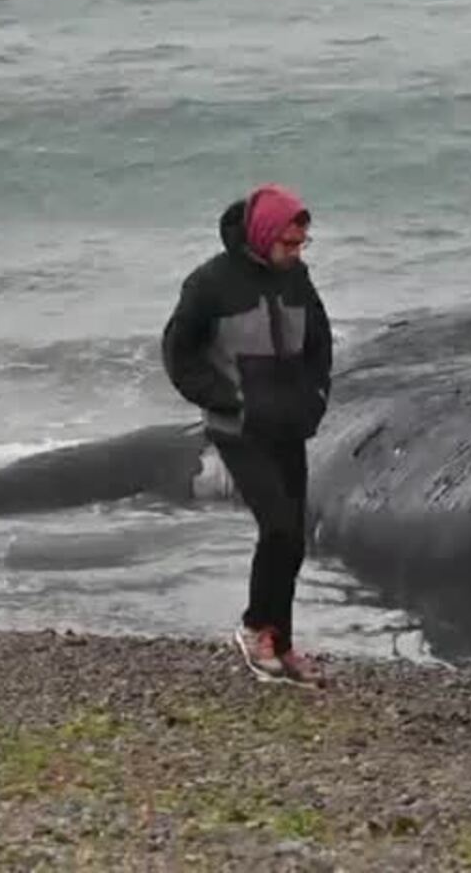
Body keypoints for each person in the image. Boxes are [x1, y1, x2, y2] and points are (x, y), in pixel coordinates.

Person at [161, 183, 333, 686]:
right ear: (261, 235)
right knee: (277, 526)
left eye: (301, 245)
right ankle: (255, 629)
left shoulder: (296, 278)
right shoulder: (209, 284)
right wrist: (226, 399)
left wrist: (315, 397)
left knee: (294, 537)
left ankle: (280, 645)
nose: (295, 254)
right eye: (288, 244)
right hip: (237, 428)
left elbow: (319, 344)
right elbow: (178, 354)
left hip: (288, 424)